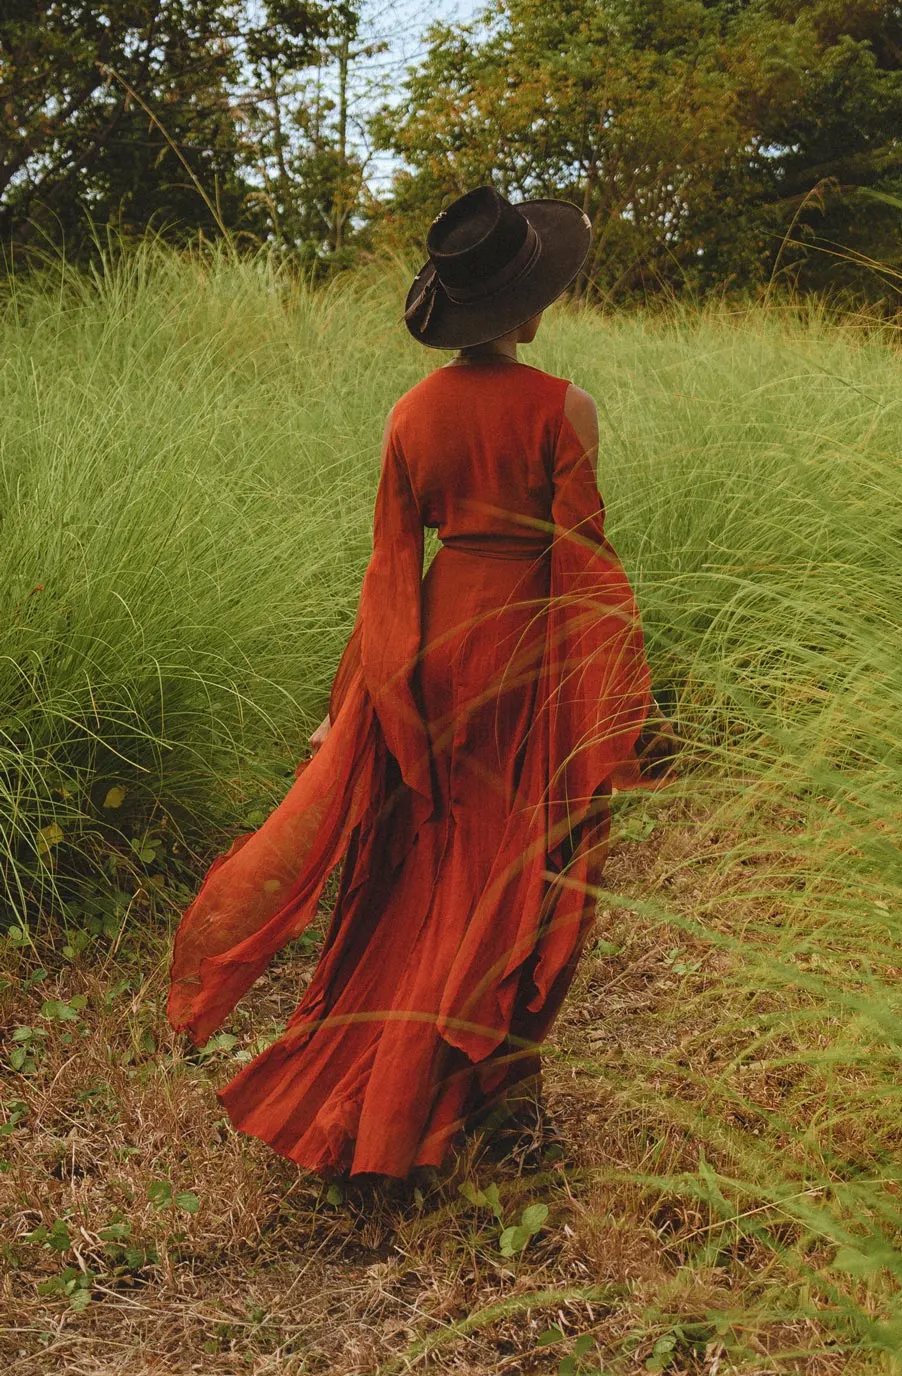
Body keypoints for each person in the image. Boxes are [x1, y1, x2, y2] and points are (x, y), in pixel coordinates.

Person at [167, 186, 668, 1180]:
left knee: (426, 868)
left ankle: (398, 1085)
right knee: (526, 867)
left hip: (434, 645)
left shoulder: (409, 414)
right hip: (526, 647)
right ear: (527, 307)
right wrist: (617, 697)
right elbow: (586, 559)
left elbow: (389, 564)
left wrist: (354, 699)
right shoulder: (565, 406)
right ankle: (491, 1094)